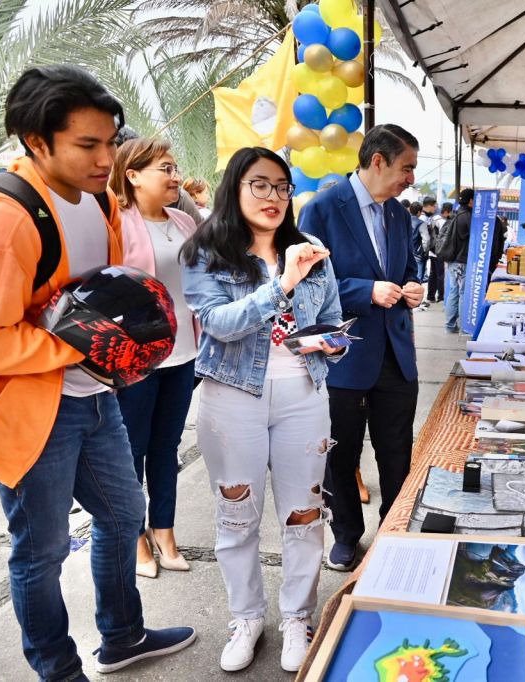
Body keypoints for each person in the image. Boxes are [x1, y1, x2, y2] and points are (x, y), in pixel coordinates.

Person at [0, 64, 195, 679]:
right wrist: (85, 345)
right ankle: (58, 669)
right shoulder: (1, 222)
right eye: (88, 145)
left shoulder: (99, 198)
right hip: (31, 412)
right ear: (37, 141)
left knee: (122, 516)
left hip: (96, 400)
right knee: (42, 550)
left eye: (110, 142)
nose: (105, 158)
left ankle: (123, 635)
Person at [181, 147, 342, 672]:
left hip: (304, 394)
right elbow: (219, 325)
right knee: (236, 515)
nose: (273, 196)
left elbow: (332, 314)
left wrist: (333, 343)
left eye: (282, 186)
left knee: (305, 514)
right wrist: (282, 284)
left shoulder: (311, 249)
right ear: (235, 186)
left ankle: (298, 616)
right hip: (232, 396)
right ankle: (246, 617)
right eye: (260, 184)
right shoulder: (206, 250)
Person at [298, 124, 423, 571]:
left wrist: (412, 286)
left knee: (397, 450)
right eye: (406, 167)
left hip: (395, 353)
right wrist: (364, 290)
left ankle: (394, 529)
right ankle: (346, 535)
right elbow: (307, 282)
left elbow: (408, 268)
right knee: (339, 453)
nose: (411, 178)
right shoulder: (322, 210)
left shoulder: (400, 216)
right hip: (343, 355)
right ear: (378, 161)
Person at [110, 137, 199, 579]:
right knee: (133, 449)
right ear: (133, 175)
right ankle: (135, 536)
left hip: (184, 354)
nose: (175, 176)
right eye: (165, 168)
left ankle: (165, 531)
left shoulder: (184, 221)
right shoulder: (117, 224)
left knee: (166, 447)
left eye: (175, 167)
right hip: (137, 361)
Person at [444, 188, 474, 334]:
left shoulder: (455, 215)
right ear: (471, 201)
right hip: (462, 260)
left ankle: (450, 325)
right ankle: (463, 326)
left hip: (453, 260)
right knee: (462, 293)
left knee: (453, 291)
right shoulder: (468, 217)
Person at [427, 202, 451, 303]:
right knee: (440, 275)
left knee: (432, 274)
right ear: (446, 212)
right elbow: (443, 239)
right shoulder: (442, 222)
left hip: (431, 250)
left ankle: (430, 296)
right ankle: (440, 297)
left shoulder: (433, 218)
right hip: (439, 252)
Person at [409, 201, 429, 308]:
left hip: (405, 253)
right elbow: (426, 239)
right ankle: (416, 301)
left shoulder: (404, 220)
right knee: (417, 278)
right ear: (419, 212)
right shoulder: (421, 223)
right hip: (417, 253)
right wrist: (425, 251)